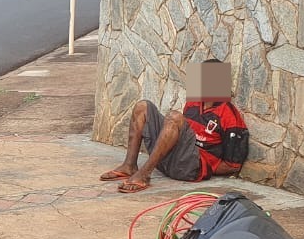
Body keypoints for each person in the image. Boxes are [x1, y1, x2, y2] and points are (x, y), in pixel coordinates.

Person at [100, 73, 247, 194]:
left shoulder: (229, 114)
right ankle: (129, 165)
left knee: (174, 117)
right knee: (142, 106)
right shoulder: (193, 103)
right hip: (169, 161)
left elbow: (232, 165)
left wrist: (208, 169)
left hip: (191, 168)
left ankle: (144, 174)